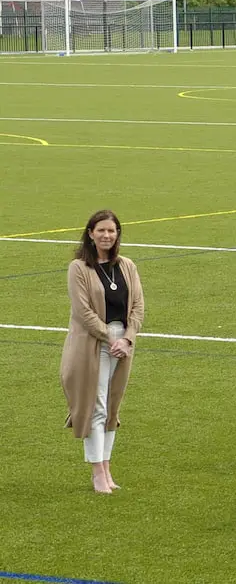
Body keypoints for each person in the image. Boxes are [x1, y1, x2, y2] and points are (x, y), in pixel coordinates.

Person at [60, 210, 146, 494]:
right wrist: (110, 338)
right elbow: (83, 312)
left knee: (111, 407)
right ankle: (98, 472)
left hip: (123, 344)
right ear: (91, 234)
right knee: (95, 405)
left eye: (111, 231)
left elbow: (137, 307)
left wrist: (128, 338)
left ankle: (107, 468)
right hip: (92, 344)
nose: (107, 236)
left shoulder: (127, 266)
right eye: (101, 231)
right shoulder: (78, 268)